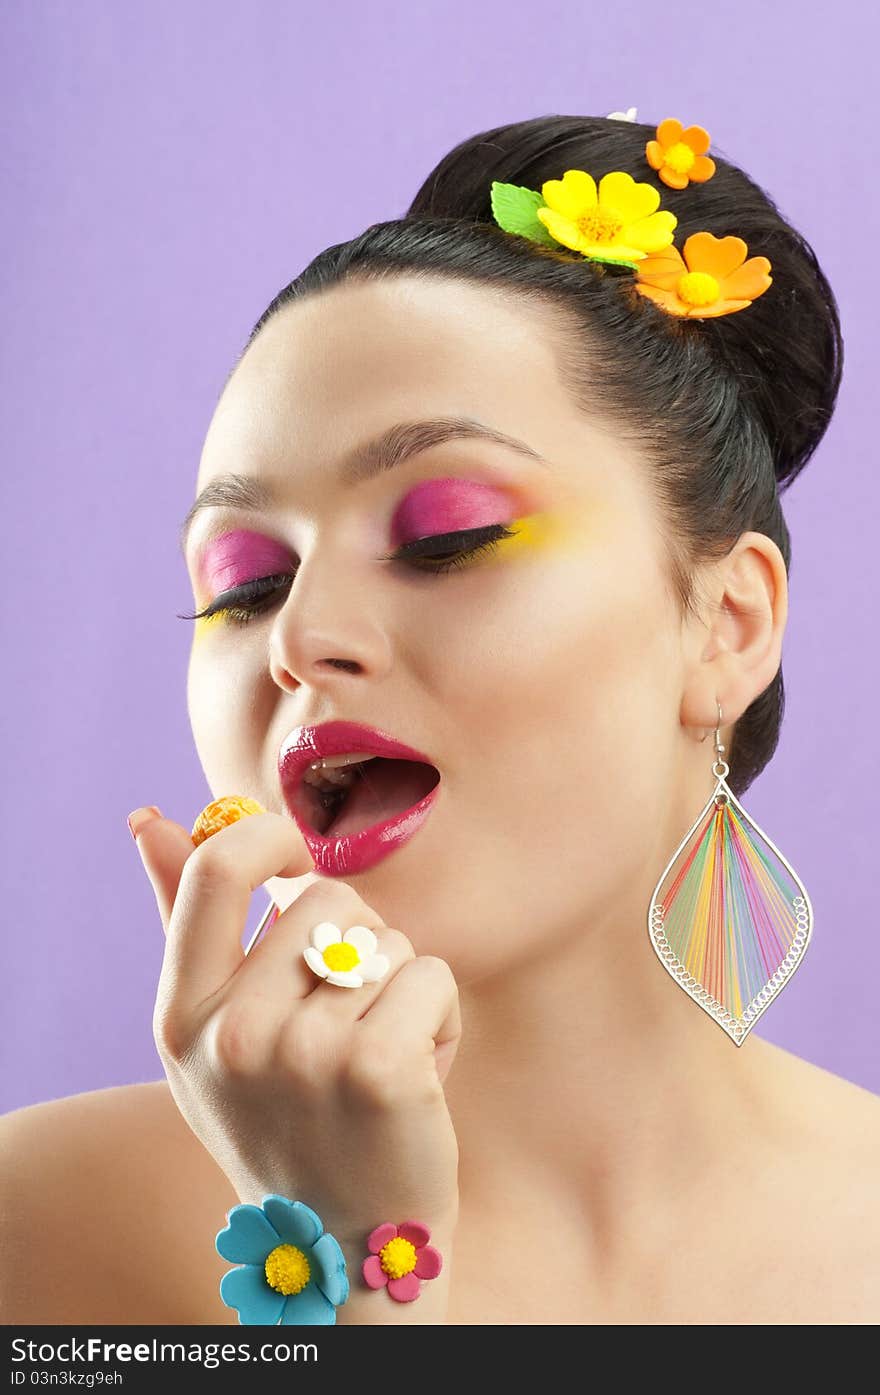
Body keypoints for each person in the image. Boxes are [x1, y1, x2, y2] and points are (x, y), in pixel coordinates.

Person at [3, 112, 878, 1326]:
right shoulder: (36, 1234)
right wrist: (359, 1259)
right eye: (245, 583)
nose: (302, 636)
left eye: (447, 536)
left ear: (727, 625)